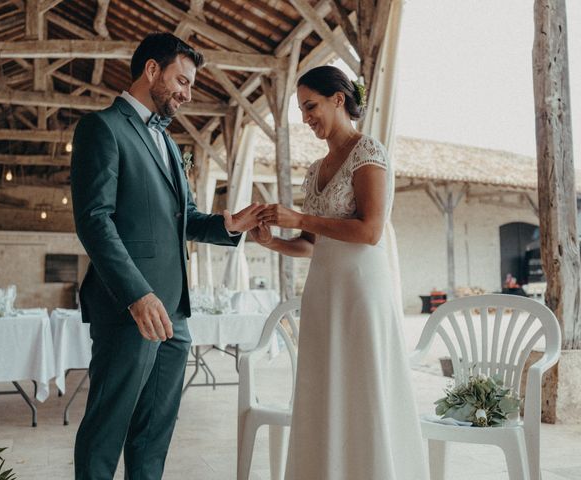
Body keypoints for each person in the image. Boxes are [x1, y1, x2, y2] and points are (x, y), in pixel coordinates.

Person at [70, 33, 262, 480]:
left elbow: (185, 218)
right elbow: (95, 221)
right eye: (182, 80)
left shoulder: (171, 145)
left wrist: (228, 225)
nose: (186, 93)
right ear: (152, 70)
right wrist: (137, 295)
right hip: (128, 308)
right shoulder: (102, 128)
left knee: (155, 432)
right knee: (106, 428)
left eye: (191, 85)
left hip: (175, 312)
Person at [252, 65, 429, 479]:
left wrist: (299, 219)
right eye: (301, 109)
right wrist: (275, 241)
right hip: (323, 294)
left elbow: (369, 231)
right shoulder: (315, 170)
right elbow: (313, 246)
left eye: (310, 105)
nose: (306, 117)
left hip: (361, 294)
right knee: (324, 391)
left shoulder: (369, 152)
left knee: (362, 390)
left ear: (338, 99)